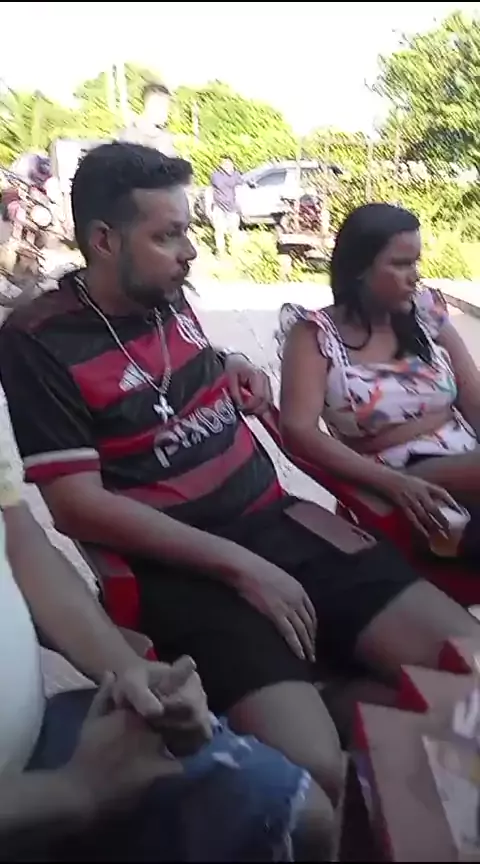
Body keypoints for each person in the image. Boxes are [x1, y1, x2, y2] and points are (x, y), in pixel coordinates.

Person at [1, 144, 479, 811]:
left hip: (279, 520)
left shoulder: (165, 294)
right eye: (168, 236)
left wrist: (228, 362)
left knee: (468, 665)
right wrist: (241, 567)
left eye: (187, 231)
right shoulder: (38, 340)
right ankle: (327, 692)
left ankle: (331, 681)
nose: (190, 251)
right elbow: (76, 506)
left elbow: (177, 365)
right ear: (104, 241)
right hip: (185, 570)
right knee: (319, 770)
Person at [0, 412, 325, 862]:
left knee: (303, 817)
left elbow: (19, 544)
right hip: (35, 790)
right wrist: (71, 791)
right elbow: (77, 503)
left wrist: (132, 675)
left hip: (38, 737)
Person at [278, 202, 480, 556]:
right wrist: (390, 483)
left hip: (466, 463)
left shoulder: (425, 316)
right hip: (393, 476)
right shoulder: (315, 335)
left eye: (415, 263)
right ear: (359, 269)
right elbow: (298, 431)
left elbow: (473, 396)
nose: (414, 276)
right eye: (400, 264)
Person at [120, 82, 175, 156]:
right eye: (165, 107)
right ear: (151, 106)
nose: (167, 112)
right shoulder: (129, 137)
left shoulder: (165, 138)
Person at [207, 156, 242, 255]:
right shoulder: (215, 176)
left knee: (234, 231)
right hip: (219, 207)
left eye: (228, 163)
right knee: (219, 231)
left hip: (232, 207)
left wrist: (240, 206)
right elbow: (211, 190)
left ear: (232, 164)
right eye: (224, 164)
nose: (227, 166)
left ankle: (234, 251)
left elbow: (240, 188)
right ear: (221, 165)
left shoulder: (236, 175)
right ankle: (220, 251)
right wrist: (208, 207)